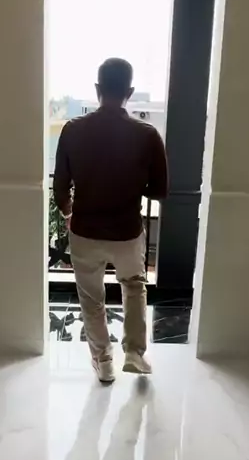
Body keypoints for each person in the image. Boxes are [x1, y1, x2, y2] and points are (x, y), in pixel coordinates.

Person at [53, 58, 169, 383]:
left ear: (97, 89)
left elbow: (60, 188)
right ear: (129, 92)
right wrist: (132, 184)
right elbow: (160, 191)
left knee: (92, 299)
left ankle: (103, 361)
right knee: (134, 287)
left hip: (85, 231)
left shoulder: (73, 130)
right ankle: (134, 353)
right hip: (127, 232)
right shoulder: (147, 135)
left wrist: (69, 213)